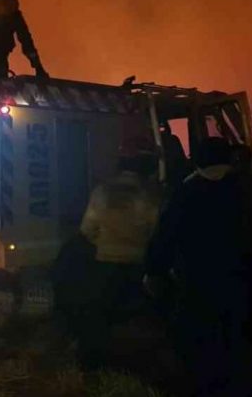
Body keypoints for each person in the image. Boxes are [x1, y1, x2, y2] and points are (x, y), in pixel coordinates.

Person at [144, 137, 252, 396]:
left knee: (203, 352)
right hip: (246, 284)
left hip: (197, 288)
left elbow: (164, 238)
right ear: (229, 159)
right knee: (242, 347)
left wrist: (155, 271)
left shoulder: (185, 193)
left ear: (197, 160)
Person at [73, 151, 161, 367]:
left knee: (101, 321)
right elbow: (158, 230)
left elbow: (87, 229)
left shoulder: (102, 191)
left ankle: (97, 367)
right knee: (138, 323)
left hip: (104, 264)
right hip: (137, 266)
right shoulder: (151, 193)